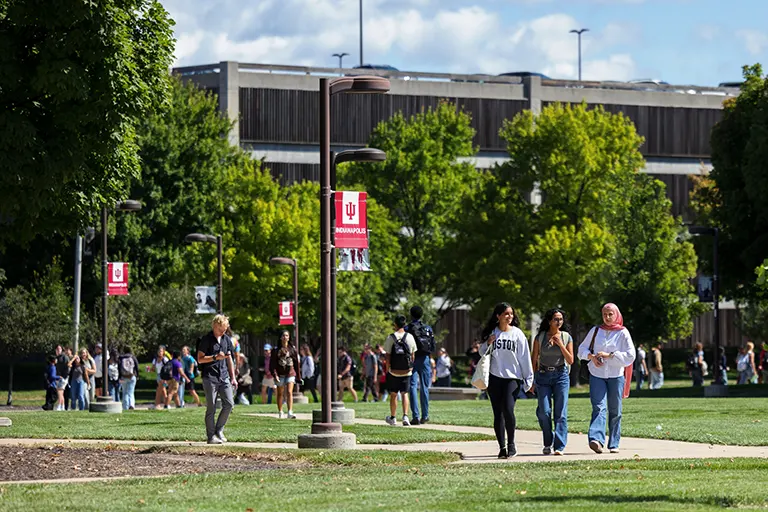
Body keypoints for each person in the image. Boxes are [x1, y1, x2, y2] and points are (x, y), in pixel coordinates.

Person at [577, 303, 636, 454]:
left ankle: (614, 443)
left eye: (610, 314)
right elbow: (581, 350)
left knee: (615, 410)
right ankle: (596, 439)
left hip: (616, 375)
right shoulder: (596, 331)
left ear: (616, 314)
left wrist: (609, 355)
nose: (607, 317)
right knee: (599, 407)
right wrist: (591, 356)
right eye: (605, 314)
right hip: (597, 375)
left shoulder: (623, 333)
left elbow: (630, 356)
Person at [479, 303, 533, 459]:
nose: (509, 317)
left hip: (513, 378)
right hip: (495, 377)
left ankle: (511, 444)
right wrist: (487, 343)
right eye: (506, 314)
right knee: (497, 413)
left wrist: (528, 379)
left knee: (508, 410)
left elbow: (524, 357)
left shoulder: (517, 334)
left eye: (511, 314)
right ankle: (502, 447)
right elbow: (482, 353)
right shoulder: (493, 334)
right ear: (498, 316)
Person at [531, 308, 574, 456]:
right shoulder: (540, 337)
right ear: (549, 321)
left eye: (561, 319)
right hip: (543, 376)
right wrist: (531, 380)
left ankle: (559, 446)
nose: (559, 322)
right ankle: (548, 442)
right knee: (544, 411)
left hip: (561, 376)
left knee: (560, 412)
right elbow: (534, 359)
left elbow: (570, 360)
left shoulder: (567, 337)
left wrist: (560, 345)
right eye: (556, 319)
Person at [197, 314, 238, 444]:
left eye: (225, 328)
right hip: (210, 376)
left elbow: (229, 359)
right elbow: (200, 358)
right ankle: (211, 436)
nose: (224, 331)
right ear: (215, 326)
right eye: (222, 328)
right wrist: (215, 357)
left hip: (224, 375)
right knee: (211, 407)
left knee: (229, 404)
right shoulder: (206, 339)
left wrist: (233, 377)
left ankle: (219, 430)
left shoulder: (226, 340)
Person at [383, 315, 417, 426]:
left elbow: (387, 356)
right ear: (405, 324)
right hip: (406, 371)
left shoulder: (390, 337)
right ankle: (405, 416)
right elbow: (412, 354)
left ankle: (393, 417)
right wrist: (411, 366)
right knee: (405, 393)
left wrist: (388, 369)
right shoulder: (410, 337)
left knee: (393, 394)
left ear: (395, 324)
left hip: (394, 371)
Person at [405, 305, 435, 425]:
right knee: (424, 387)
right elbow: (433, 345)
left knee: (412, 386)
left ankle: (415, 416)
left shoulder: (408, 328)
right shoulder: (427, 328)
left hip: (412, 358)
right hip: (425, 359)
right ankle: (425, 415)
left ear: (411, 315)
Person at [270, 330, 301, 419]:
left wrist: (298, 376)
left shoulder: (292, 349)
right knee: (280, 393)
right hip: (280, 374)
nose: (285, 337)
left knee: (289, 392)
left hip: (290, 373)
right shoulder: (276, 350)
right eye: (283, 335)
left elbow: (296, 363)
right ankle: (280, 411)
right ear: (280, 337)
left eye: (287, 335)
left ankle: (290, 412)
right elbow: (272, 365)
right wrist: (275, 374)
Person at [54, 345, 70, 411]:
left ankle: (59, 406)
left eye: (59, 349)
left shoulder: (64, 357)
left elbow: (68, 367)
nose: (58, 350)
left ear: (61, 349)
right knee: (61, 393)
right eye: (57, 349)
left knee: (60, 392)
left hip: (63, 378)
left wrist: (64, 377)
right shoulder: (56, 358)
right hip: (57, 378)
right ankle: (62, 406)